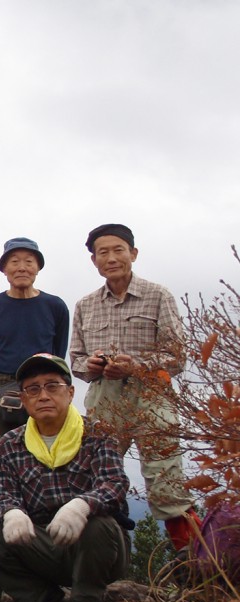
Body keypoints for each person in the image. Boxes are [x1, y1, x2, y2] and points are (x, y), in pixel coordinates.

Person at [0, 353, 131, 602]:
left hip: (95, 548)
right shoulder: (11, 443)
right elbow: (3, 493)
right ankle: (36, 598)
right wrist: (12, 512)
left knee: (99, 524)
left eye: (52, 386)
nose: (43, 395)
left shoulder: (98, 433)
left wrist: (81, 506)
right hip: (42, 544)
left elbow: (114, 485)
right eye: (33, 389)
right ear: (23, 400)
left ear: (70, 393)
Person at [68, 223, 199, 553]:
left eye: (118, 250)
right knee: (97, 474)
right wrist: (91, 366)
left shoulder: (158, 295)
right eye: (102, 253)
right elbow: (77, 360)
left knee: (165, 477)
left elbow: (177, 355)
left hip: (152, 395)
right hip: (104, 398)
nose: (111, 258)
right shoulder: (84, 305)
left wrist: (136, 366)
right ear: (94, 261)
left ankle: (193, 563)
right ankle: (107, 556)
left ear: (133, 253)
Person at [0, 237, 70, 434]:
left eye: (29, 261)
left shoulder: (55, 306)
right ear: (4, 269)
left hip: (42, 389)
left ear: (37, 267)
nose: (22, 267)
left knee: (46, 447)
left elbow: (58, 354)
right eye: (14, 261)